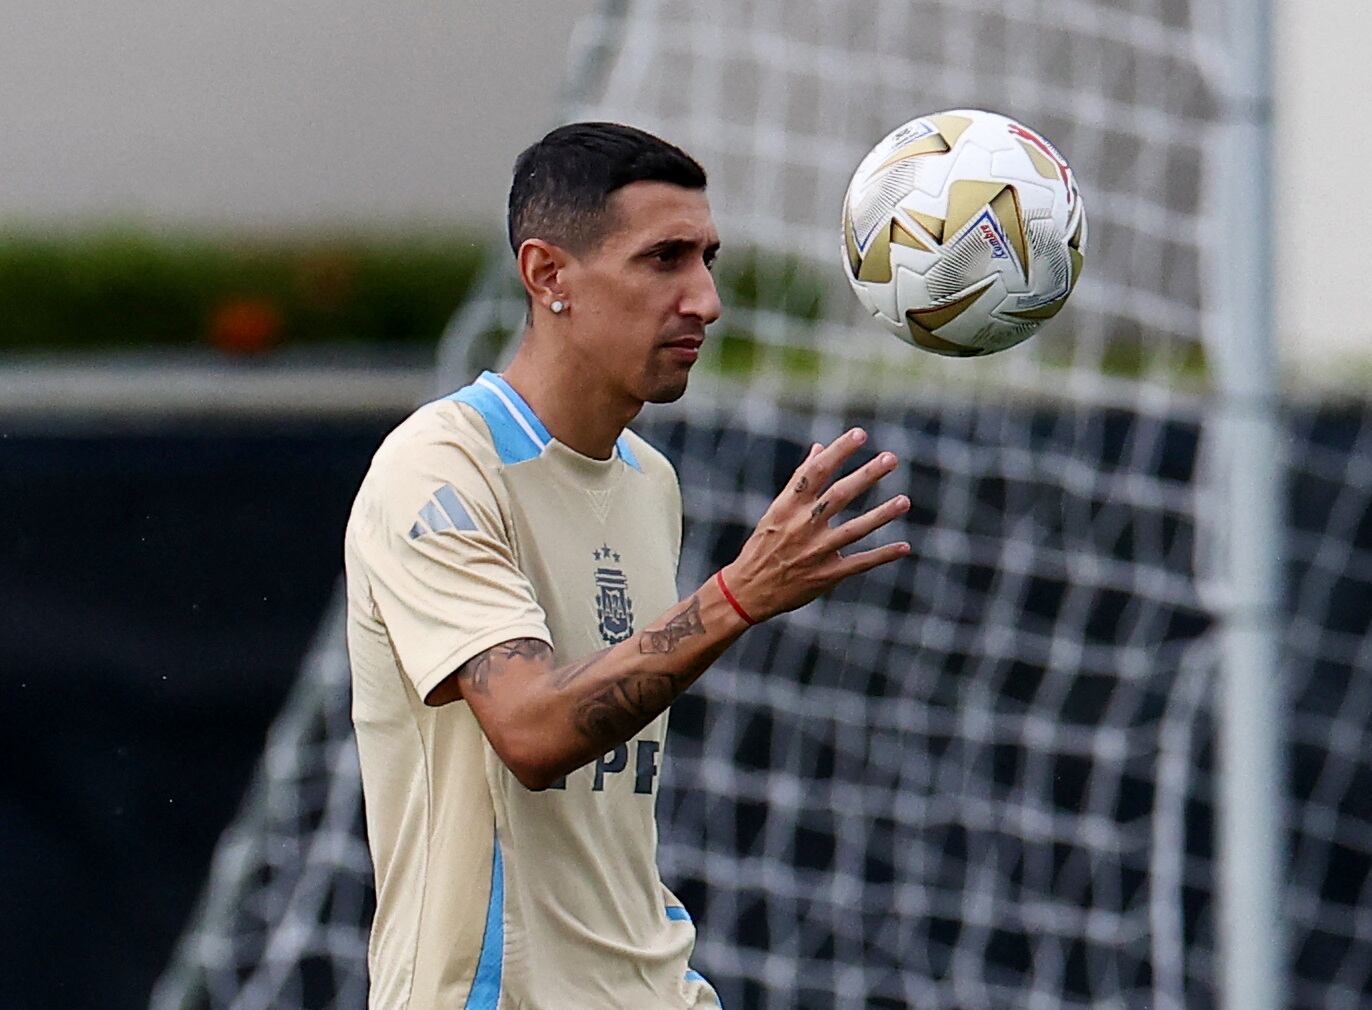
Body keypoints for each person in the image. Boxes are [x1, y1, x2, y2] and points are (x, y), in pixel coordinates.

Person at [344, 121, 911, 1009]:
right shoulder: (439, 467)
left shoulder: (650, 481)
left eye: (707, 259)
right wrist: (736, 597)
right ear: (548, 276)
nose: (706, 300)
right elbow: (530, 733)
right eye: (664, 260)